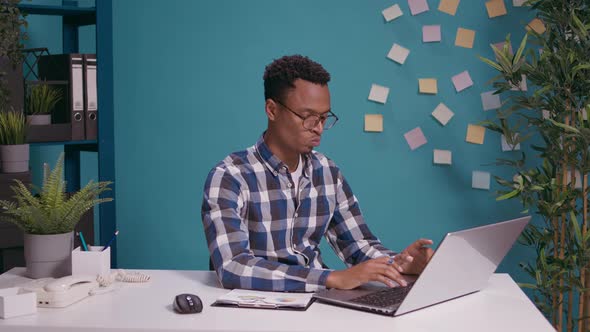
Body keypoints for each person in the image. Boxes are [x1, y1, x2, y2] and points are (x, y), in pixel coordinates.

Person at [201, 54, 433, 292]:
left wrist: (401, 264)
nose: (319, 128)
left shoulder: (327, 172)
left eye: (324, 117)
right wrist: (330, 279)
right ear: (272, 110)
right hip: (252, 307)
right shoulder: (230, 176)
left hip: (316, 303)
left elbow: (358, 246)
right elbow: (232, 267)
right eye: (309, 117)